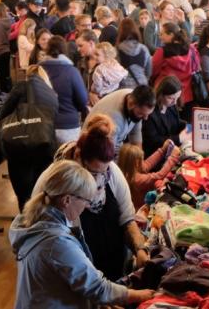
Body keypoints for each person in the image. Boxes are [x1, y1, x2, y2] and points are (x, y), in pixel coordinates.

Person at [9, 160, 155, 308]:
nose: (86, 206)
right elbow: (97, 287)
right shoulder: (57, 242)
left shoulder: (36, 221)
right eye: (86, 200)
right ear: (67, 200)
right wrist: (142, 295)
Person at [53, 115, 149, 282]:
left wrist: (140, 249)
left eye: (104, 172)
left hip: (114, 267)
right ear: (78, 157)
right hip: (82, 277)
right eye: (94, 173)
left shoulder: (111, 172)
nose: (99, 179)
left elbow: (127, 219)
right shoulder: (57, 184)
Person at [0, 65, 59, 211]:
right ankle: (40, 219)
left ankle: (25, 220)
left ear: (28, 75)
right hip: (45, 145)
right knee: (41, 192)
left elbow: (3, 114)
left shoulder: (21, 86)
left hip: (20, 146)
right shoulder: (51, 93)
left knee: (24, 195)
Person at [40, 36, 88, 145]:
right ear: (64, 50)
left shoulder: (37, 70)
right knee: (69, 156)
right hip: (68, 126)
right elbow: (83, 101)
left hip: (42, 124)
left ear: (47, 50)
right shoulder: (72, 72)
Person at [151, 22, 201, 119]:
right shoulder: (190, 49)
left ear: (171, 35)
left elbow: (153, 70)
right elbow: (196, 67)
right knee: (185, 123)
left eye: (162, 34)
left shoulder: (162, 51)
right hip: (187, 94)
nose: (160, 37)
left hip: (166, 95)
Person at [87, 86, 156, 154]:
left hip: (114, 145)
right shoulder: (113, 119)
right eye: (141, 114)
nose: (145, 118)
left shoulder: (134, 98)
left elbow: (135, 133)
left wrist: (138, 157)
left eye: (147, 114)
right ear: (131, 104)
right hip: (95, 150)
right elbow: (106, 153)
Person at [118, 141, 180, 209]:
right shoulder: (136, 179)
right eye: (141, 160)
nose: (143, 162)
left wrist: (163, 150)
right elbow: (160, 175)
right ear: (136, 163)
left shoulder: (127, 171)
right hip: (141, 209)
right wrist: (174, 157)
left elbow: (147, 164)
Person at [142, 76, 186, 159]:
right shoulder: (150, 112)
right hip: (154, 156)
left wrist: (187, 126)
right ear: (161, 94)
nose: (175, 102)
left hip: (169, 152)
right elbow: (153, 140)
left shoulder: (171, 106)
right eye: (171, 98)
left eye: (177, 98)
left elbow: (175, 122)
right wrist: (178, 138)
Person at [115, 19, 152, 86]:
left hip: (124, 87)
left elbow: (115, 72)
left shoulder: (117, 49)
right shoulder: (144, 49)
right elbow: (148, 72)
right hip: (142, 86)